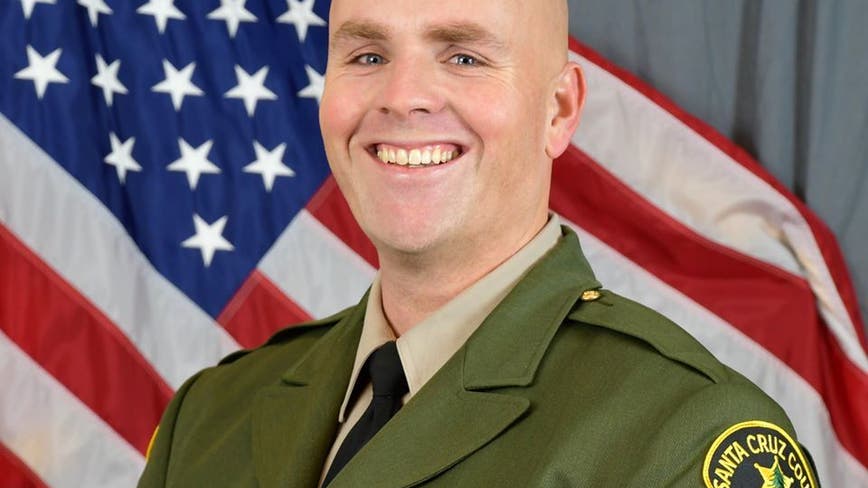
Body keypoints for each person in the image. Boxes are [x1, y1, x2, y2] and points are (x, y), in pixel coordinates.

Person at [139, 0, 820, 486]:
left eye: (463, 56)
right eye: (367, 54)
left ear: (559, 110)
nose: (402, 97)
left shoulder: (686, 435)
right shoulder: (209, 418)